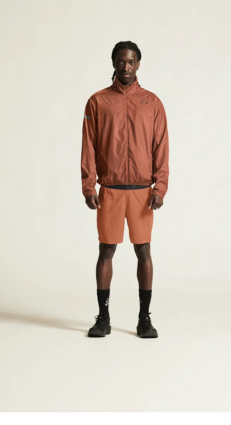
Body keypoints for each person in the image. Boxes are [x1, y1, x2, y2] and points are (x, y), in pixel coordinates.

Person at [81, 40, 169, 338]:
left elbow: (161, 146)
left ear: (139, 64)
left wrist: (160, 187)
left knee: (143, 251)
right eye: (121, 61)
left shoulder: (152, 102)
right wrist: (88, 186)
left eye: (131, 61)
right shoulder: (97, 101)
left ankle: (144, 319)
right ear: (113, 63)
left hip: (143, 192)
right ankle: (103, 318)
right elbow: (89, 146)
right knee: (106, 250)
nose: (126, 67)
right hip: (110, 190)